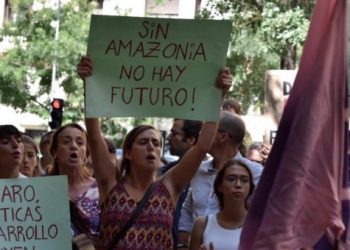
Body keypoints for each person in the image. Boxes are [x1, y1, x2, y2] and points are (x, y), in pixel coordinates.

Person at [77, 55, 232, 249]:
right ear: (127, 152)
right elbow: (93, 136)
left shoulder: (169, 186)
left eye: (156, 143)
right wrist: (89, 85)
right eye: (143, 142)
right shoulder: (110, 184)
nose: (152, 146)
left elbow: (202, 146)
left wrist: (219, 96)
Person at [177, 111, 263, 248]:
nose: (200, 134)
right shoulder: (198, 170)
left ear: (222, 137)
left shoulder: (256, 174)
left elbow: (263, 219)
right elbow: (188, 209)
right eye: (231, 179)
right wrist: (185, 244)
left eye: (206, 129)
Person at [49, 123, 100, 245]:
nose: (73, 146)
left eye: (80, 142)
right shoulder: (43, 191)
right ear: (55, 151)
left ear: (86, 153)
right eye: (66, 142)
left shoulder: (100, 189)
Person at [189, 159, 255, 250]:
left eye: (244, 180)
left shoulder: (259, 225)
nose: (238, 184)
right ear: (220, 186)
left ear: (250, 187)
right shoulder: (202, 224)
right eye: (231, 179)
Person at [158, 119, 203, 248]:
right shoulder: (163, 172)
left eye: (174, 133)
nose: (169, 138)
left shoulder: (209, 175)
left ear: (191, 139)